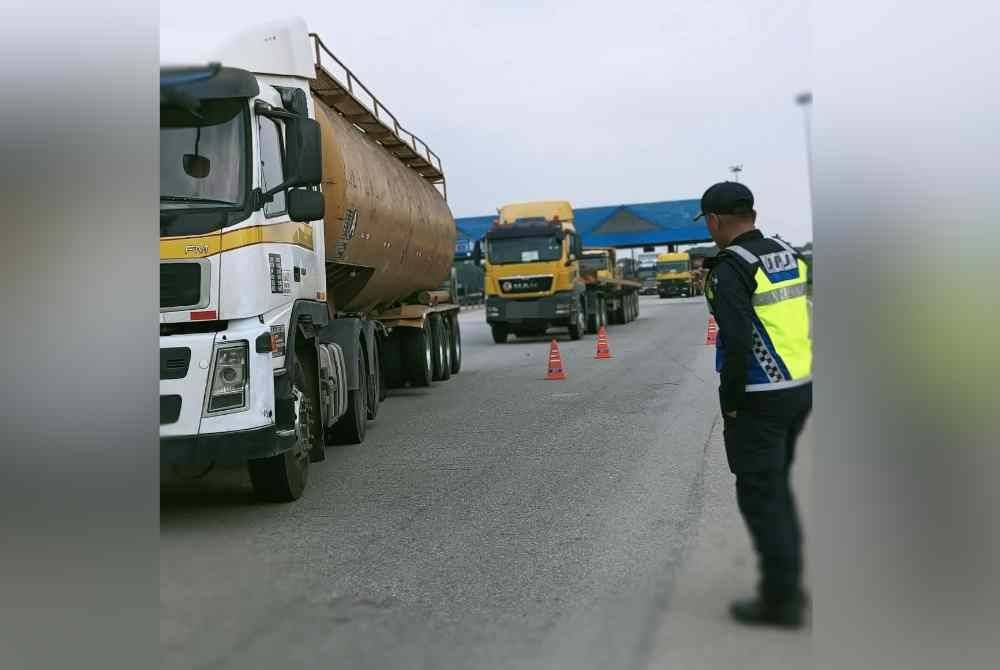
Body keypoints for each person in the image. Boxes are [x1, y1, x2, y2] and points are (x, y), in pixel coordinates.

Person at [696, 182, 813, 628]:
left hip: (761, 398)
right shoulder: (786, 253)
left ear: (715, 221)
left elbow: (739, 341)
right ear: (753, 213)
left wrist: (732, 403)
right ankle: (789, 585)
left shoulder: (730, 268)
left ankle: (781, 600)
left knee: (762, 498)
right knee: (777, 489)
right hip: (799, 388)